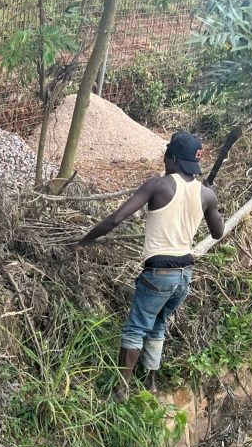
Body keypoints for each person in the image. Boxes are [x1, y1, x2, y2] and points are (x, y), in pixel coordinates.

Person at [74, 132, 225, 398]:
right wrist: (213, 201)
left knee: (136, 327)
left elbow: (116, 219)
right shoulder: (205, 194)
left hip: (159, 274)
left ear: (173, 158)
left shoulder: (158, 186)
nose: (164, 160)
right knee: (158, 325)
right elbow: (217, 233)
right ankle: (150, 384)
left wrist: (84, 241)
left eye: (167, 156)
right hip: (183, 277)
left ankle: (121, 389)